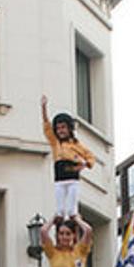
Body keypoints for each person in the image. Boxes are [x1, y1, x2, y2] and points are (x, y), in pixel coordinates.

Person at [40, 94, 95, 222]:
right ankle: (60, 214)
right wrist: (43, 108)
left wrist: (85, 164)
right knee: (59, 204)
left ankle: (73, 215)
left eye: (63, 127)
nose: (60, 131)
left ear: (69, 128)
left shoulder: (76, 144)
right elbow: (47, 127)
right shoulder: (55, 143)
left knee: (72, 204)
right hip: (59, 178)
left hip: (72, 176)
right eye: (58, 128)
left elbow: (90, 155)